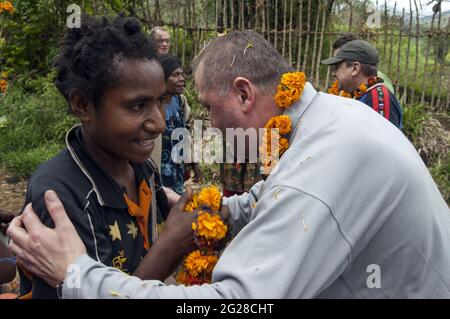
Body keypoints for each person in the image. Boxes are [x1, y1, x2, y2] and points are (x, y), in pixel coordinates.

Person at [8, 30, 450, 298]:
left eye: (207, 107)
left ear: (243, 94)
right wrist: (216, 210)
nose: (164, 124)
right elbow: (269, 198)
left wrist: (77, 274)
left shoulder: (322, 159)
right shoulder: (331, 122)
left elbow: (241, 300)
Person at [11, 14, 197, 299]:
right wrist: (172, 243)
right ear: (83, 105)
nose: (159, 123)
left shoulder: (141, 167)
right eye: (137, 105)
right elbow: (92, 290)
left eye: (160, 101)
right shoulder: (60, 196)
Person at [322, 40, 403, 129]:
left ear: (355, 68)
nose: (333, 73)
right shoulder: (361, 95)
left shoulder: (379, 98)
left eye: (337, 67)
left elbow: (383, 140)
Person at [152, 54, 200, 194]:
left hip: (176, 169)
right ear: (162, 79)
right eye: (175, 75)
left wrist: (193, 163)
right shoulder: (152, 105)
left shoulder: (180, 101)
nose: (182, 79)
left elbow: (184, 132)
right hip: (157, 169)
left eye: (182, 74)